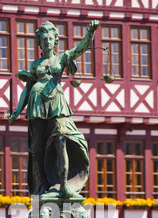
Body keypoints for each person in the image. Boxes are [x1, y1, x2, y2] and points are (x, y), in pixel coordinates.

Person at [8, 20, 101, 198]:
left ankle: (64, 183)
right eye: (44, 39)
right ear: (40, 43)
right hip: (36, 104)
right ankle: (41, 186)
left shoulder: (62, 58)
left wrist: (90, 32)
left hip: (56, 103)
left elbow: (80, 49)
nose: (47, 42)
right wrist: (17, 111)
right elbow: (27, 89)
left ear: (55, 41)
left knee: (61, 141)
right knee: (37, 149)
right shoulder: (35, 65)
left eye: (50, 39)